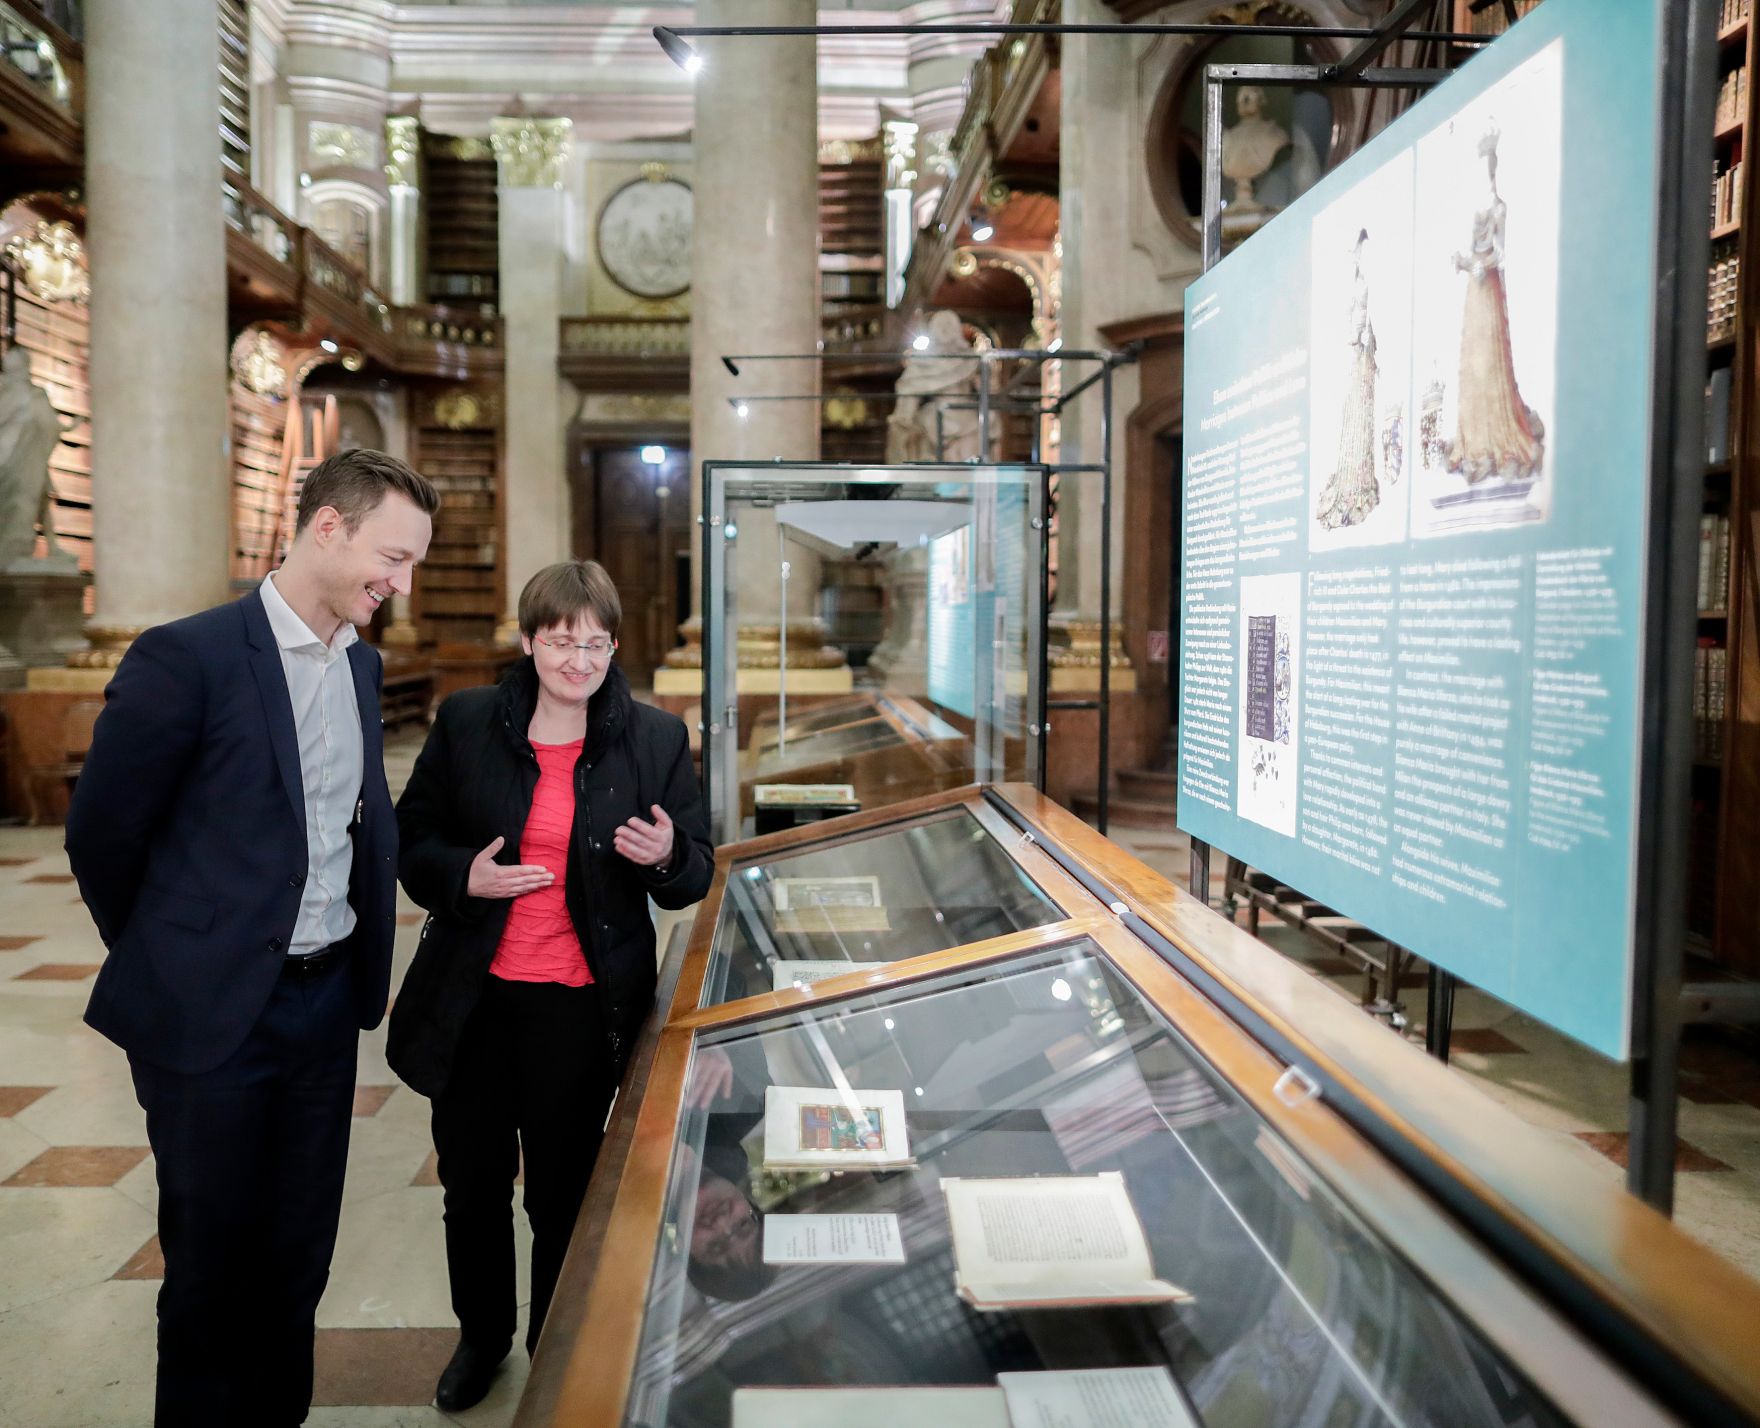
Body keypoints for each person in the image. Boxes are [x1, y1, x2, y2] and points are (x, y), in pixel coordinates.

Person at [65, 448, 439, 1425]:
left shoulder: (361, 664)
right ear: (328, 528)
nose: (401, 586)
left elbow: (356, 829)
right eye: (392, 559)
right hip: (210, 1013)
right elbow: (104, 831)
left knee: (297, 1254)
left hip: (322, 1005)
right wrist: (172, 956)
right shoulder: (185, 655)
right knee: (210, 1265)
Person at [388, 558, 714, 1411]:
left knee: (564, 1195)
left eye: (597, 644)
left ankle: (556, 1350)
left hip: (580, 1004)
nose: (579, 661)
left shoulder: (654, 738)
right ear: (529, 639)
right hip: (474, 999)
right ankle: (484, 1337)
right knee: (473, 1183)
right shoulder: (466, 723)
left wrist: (667, 857)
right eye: (562, 641)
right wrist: (466, 876)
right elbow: (410, 840)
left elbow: (696, 874)